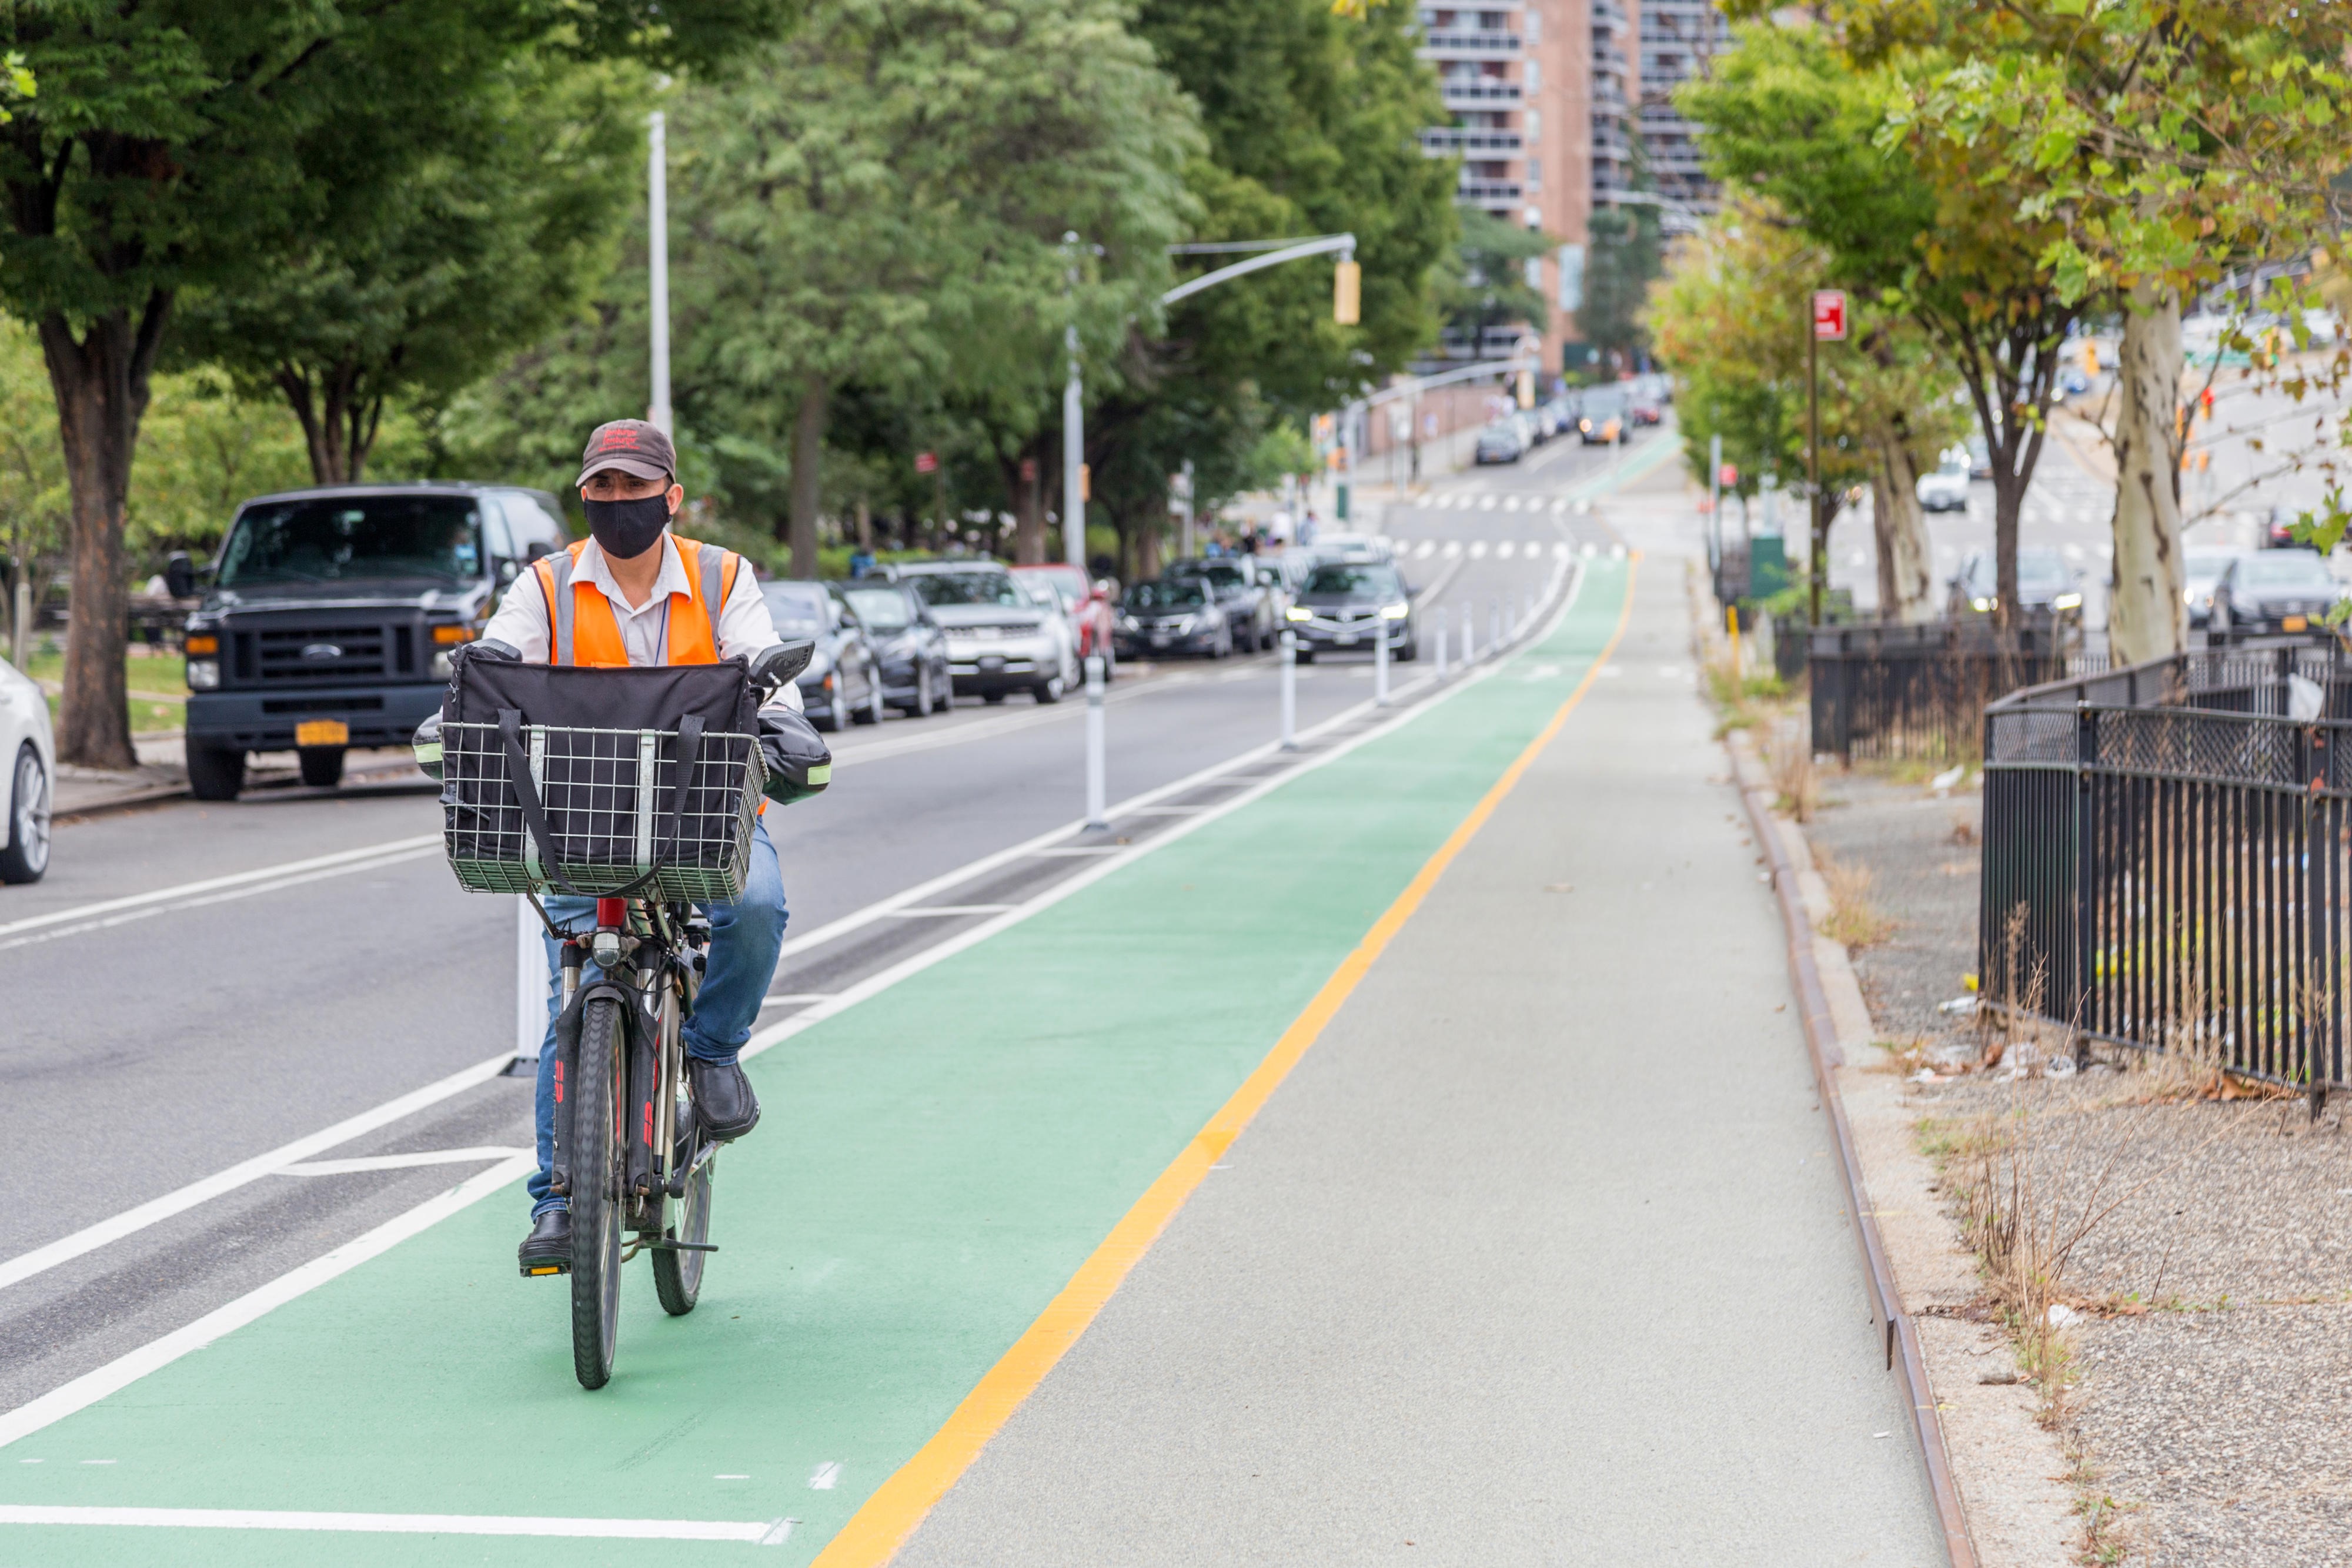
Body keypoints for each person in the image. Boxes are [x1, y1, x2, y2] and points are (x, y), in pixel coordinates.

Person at [475, 419, 806, 1275]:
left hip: (703, 816)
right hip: (581, 822)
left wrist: (784, 710)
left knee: (758, 906)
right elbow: (498, 657)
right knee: (577, 991)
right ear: (583, 495)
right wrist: (463, 699)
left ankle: (713, 1048)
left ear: (672, 496)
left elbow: (765, 659)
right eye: (603, 489)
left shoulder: (721, 576)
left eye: (635, 487)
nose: (619, 503)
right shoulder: (544, 587)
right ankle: (556, 1203)